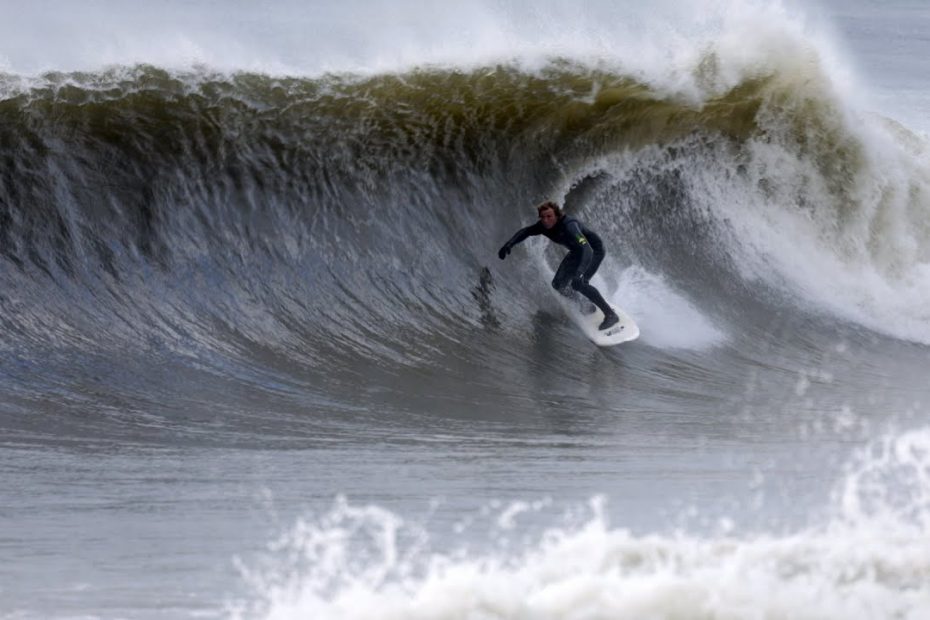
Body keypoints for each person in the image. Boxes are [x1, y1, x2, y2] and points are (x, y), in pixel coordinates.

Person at [498, 201, 619, 330]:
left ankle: (610, 315)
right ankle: (585, 304)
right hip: (577, 252)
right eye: (542, 217)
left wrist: (579, 273)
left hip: (593, 251)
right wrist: (509, 244)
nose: (545, 220)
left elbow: (587, 249)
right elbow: (526, 231)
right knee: (558, 285)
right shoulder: (543, 226)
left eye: (549, 216)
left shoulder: (569, 226)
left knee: (579, 283)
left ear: (557, 215)